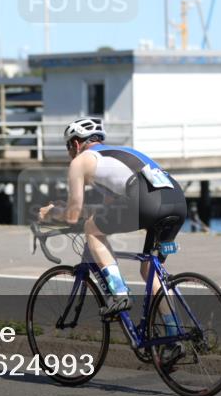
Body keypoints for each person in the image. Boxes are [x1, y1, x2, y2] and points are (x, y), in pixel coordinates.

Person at [38, 117, 187, 318]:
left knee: (91, 229)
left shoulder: (80, 161)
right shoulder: (122, 154)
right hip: (176, 200)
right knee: (150, 270)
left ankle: (120, 294)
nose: (69, 154)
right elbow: (109, 208)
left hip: (146, 199)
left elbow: (72, 216)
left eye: (68, 147)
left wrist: (52, 213)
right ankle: (173, 337)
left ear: (75, 143)